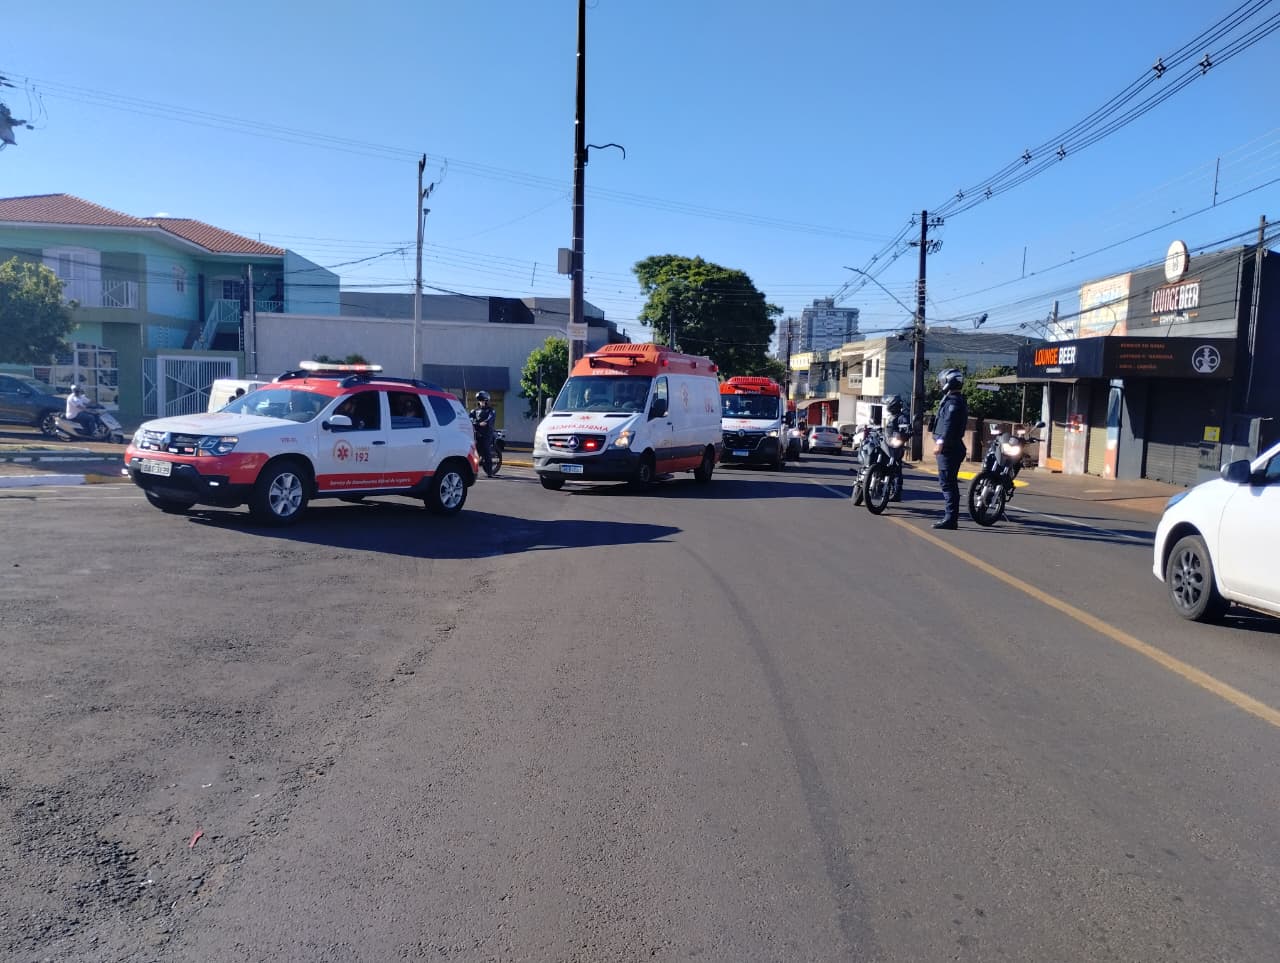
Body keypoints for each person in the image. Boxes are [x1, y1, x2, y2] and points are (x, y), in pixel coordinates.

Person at [931, 368, 969, 530]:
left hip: (949, 448)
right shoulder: (953, 399)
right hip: (952, 447)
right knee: (948, 482)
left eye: (942, 382)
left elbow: (949, 424)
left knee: (948, 483)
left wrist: (940, 442)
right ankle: (950, 517)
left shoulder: (953, 402)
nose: (940, 385)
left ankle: (951, 519)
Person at [882, 395, 913, 502]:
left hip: (896, 446)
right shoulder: (891, 416)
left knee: (896, 468)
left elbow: (906, 426)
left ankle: (897, 492)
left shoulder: (901, 417)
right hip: (887, 444)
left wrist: (908, 429)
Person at [470, 390, 497, 474]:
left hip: (487, 434)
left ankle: (489, 471)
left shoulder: (491, 411)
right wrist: (474, 422)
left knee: (486, 449)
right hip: (477, 433)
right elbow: (470, 418)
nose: (481, 402)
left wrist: (482, 423)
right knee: (472, 450)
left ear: (486, 400)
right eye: (479, 400)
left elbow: (488, 420)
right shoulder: (474, 411)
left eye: (482, 400)